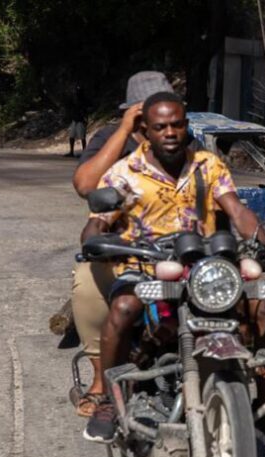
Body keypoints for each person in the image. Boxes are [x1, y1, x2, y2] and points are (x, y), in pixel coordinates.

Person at [80, 91, 265, 455]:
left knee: (260, 303)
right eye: (161, 126)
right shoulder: (124, 172)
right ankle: (107, 398)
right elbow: (97, 221)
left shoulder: (208, 165)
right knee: (122, 309)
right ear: (146, 132)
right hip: (145, 266)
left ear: (186, 126)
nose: (170, 132)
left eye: (177, 124)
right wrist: (94, 240)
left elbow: (237, 209)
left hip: (204, 268)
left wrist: (263, 241)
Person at [70, 71, 175, 419]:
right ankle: (102, 382)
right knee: (86, 282)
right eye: (149, 112)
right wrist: (123, 131)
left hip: (175, 246)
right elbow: (86, 184)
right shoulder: (110, 140)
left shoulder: (182, 141)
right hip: (121, 247)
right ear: (133, 112)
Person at [66, 84, 89, 157]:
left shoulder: (83, 100)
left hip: (80, 120)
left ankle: (83, 152)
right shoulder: (75, 99)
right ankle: (72, 151)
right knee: (72, 136)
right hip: (76, 119)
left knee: (81, 137)